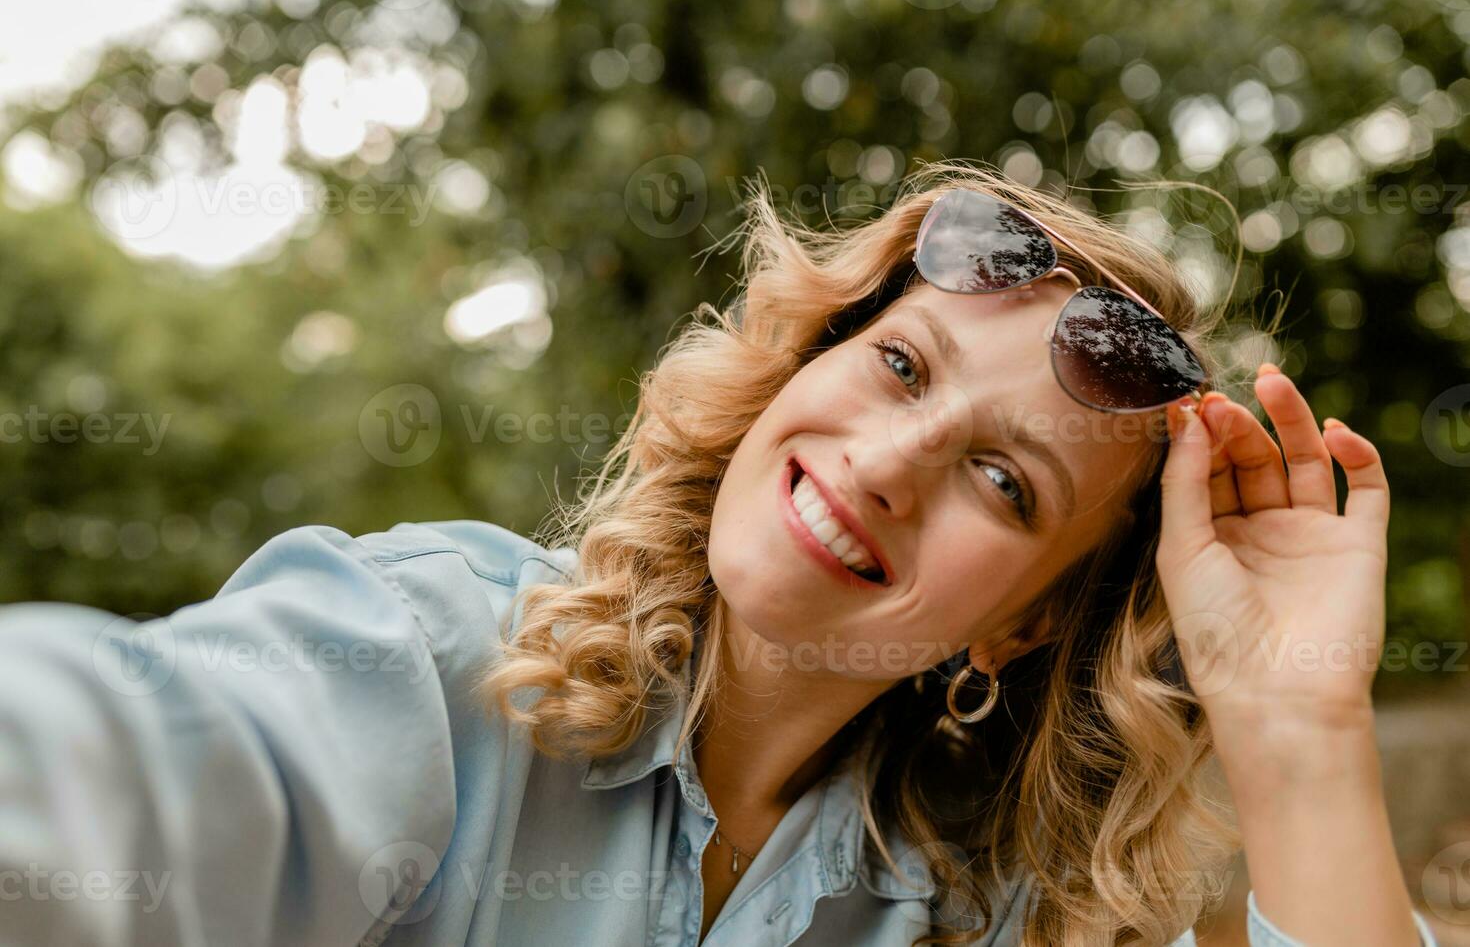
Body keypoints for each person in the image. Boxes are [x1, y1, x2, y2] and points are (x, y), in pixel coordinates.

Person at [0, 163, 1438, 946]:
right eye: (897, 367)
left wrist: (1294, 724)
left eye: (1001, 481)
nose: (885, 464)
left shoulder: (993, 914)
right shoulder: (427, 657)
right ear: (801, 361)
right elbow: (114, 789)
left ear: (1024, 623)